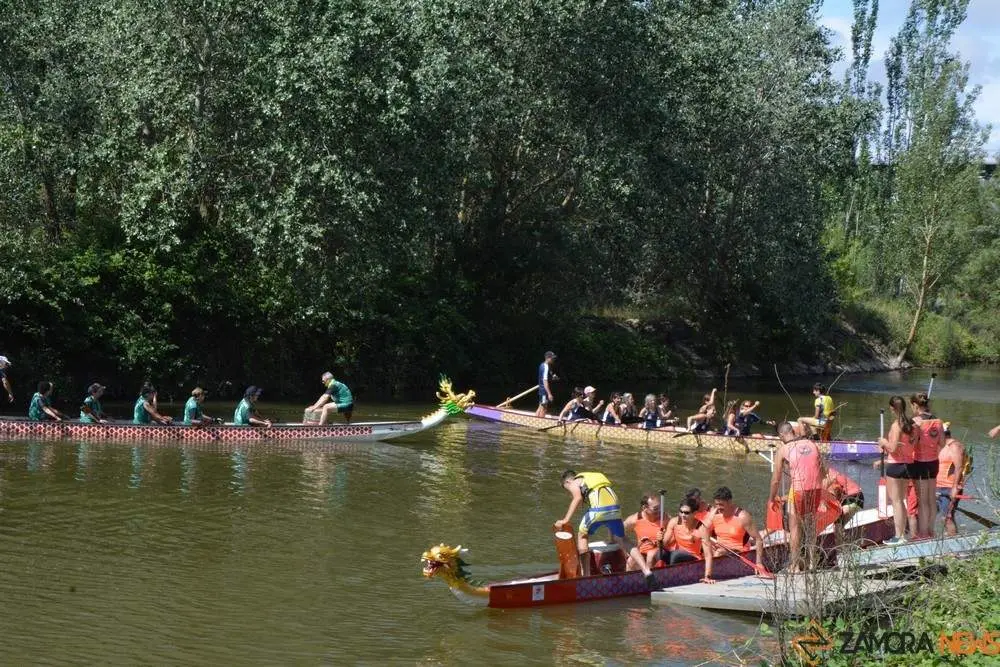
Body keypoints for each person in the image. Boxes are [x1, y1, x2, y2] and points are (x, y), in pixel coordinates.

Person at [554, 470, 658, 588]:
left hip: (599, 508)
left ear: (568, 481)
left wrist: (565, 520)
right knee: (623, 538)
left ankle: (586, 578)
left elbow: (577, 498)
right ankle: (647, 572)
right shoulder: (591, 477)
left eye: (566, 488)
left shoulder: (574, 481)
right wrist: (611, 538)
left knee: (582, 535)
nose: (569, 491)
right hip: (615, 507)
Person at [769, 422, 825, 572]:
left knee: (794, 528)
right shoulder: (812, 444)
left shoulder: (783, 449)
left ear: (781, 435)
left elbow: (775, 480)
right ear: (793, 431)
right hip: (816, 488)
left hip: (799, 490)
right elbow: (823, 471)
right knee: (811, 525)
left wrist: (771, 499)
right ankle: (812, 562)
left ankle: (794, 565)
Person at [877, 395, 921, 545]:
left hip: (896, 465)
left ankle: (899, 535)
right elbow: (914, 443)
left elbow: (893, 448)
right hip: (908, 464)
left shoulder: (897, 425)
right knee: (901, 501)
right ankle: (901, 534)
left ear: (892, 408)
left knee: (896, 501)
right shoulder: (912, 425)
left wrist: (884, 442)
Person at [703, 487, 766, 574]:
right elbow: (703, 531)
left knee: (719, 552)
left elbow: (758, 540)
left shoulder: (743, 517)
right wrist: (710, 517)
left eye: (721, 505)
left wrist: (759, 563)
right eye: (716, 504)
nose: (718, 508)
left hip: (738, 553)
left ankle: (709, 572)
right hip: (719, 549)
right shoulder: (715, 514)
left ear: (729, 502)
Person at [909, 392, 943, 538]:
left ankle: (923, 533)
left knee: (922, 501)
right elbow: (942, 443)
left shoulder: (915, 421)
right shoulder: (938, 421)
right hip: (934, 462)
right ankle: (931, 530)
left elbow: (912, 444)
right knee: (931, 499)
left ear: (915, 405)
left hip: (919, 463)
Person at [661, 500, 715, 582]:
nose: (683, 515)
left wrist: (707, 576)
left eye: (686, 513)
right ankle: (652, 576)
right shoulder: (674, 522)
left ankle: (670, 578)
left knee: (676, 555)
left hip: (694, 560)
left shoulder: (702, 528)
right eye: (681, 512)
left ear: (694, 513)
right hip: (677, 555)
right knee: (659, 553)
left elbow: (708, 555)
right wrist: (659, 540)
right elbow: (664, 544)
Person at [623, 492, 668, 572]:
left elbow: (674, 531)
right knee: (631, 560)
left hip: (659, 551)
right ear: (644, 508)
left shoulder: (665, 517)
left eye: (660, 508)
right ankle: (629, 581)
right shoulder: (635, 519)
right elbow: (619, 531)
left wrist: (664, 537)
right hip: (642, 551)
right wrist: (625, 549)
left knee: (650, 556)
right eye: (655, 509)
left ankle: (650, 580)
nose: (659, 511)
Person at [936, 422, 966, 536]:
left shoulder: (955, 446)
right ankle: (944, 541)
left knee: (947, 517)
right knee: (935, 515)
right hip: (938, 486)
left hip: (949, 487)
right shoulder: (941, 446)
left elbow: (959, 467)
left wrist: (954, 488)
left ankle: (955, 549)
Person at [535, 351, 557, 418]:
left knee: (541, 406)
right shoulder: (546, 367)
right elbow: (545, 381)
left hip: (542, 390)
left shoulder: (542, 365)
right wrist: (549, 394)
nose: (553, 360)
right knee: (544, 408)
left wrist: (553, 378)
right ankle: (540, 422)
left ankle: (536, 419)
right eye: (552, 358)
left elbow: (546, 378)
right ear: (548, 358)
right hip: (544, 391)